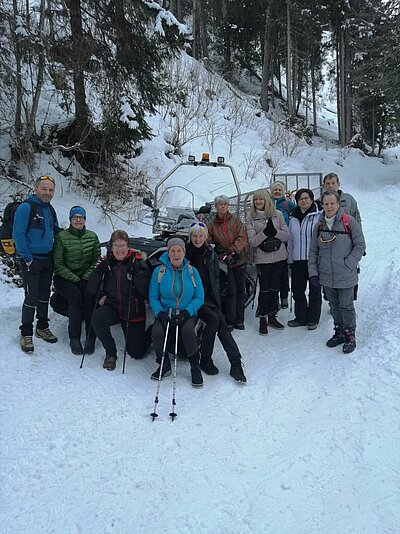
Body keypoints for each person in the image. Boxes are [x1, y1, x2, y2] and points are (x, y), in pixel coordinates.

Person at [186, 222, 247, 383]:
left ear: (205, 237)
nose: (198, 239)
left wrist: (218, 300)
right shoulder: (186, 254)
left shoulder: (210, 253)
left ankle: (235, 363)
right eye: (195, 235)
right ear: (190, 237)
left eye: (201, 236)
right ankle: (207, 359)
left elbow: (215, 280)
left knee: (221, 323)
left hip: (209, 298)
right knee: (215, 320)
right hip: (192, 298)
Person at [308, 190, 366, 353]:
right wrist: (313, 271)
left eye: (332, 203)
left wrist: (349, 263)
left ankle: (350, 335)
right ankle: (339, 331)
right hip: (326, 274)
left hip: (345, 273)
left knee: (346, 306)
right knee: (333, 305)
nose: (329, 206)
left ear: (338, 203)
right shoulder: (319, 225)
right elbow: (313, 250)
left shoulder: (349, 222)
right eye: (326, 203)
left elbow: (360, 245)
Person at [87, 230, 151, 370]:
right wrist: (99, 272)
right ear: (111, 246)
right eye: (116, 246)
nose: (119, 249)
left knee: (136, 353)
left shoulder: (139, 262)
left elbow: (145, 292)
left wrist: (137, 275)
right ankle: (110, 353)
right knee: (97, 317)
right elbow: (91, 290)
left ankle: (153, 332)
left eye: (122, 245)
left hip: (133, 311)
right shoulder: (106, 262)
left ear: (128, 246)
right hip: (113, 307)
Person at [13, 175, 60, 353]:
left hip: (47, 259)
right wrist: (27, 258)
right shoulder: (26, 208)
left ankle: (42, 327)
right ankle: (26, 332)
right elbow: (18, 235)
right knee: (31, 296)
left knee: (44, 295)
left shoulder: (50, 209)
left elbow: (55, 231)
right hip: (31, 260)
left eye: (50, 190)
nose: (47, 192)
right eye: (44, 188)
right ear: (36, 189)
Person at [148, 237, 205, 387]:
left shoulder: (193, 272)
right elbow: (153, 296)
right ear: (168, 253)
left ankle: (195, 367)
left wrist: (188, 312)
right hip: (166, 312)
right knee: (157, 333)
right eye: (172, 251)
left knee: (187, 331)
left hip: (186, 311)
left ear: (184, 252)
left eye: (179, 250)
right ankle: (164, 364)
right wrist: (159, 313)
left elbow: (199, 296)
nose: (176, 254)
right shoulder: (158, 272)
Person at [53, 206, 100, 355]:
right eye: (75, 217)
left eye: (81, 217)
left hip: (85, 277)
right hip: (64, 278)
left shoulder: (92, 237)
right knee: (75, 297)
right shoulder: (62, 237)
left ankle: (91, 337)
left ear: (85, 219)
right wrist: (75, 279)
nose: (78, 220)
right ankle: (74, 338)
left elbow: (96, 260)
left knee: (90, 296)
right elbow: (58, 264)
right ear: (70, 219)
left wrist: (85, 277)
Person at [246, 189, 289, 335]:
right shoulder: (251, 217)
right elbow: (252, 241)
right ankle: (262, 318)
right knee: (264, 289)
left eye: (261, 199)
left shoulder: (278, 214)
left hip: (279, 257)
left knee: (275, 288)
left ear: (266, 200)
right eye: (256, 200)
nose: (258, 202)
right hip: (262, 259)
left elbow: (287, 236)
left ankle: (272, 315)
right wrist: (265, 233)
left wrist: (275, 232)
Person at [207, 195, 248, 330]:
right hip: (224, 260)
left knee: (241, 290)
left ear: (228, 206)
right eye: (220, 204)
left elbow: (242, 237)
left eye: (225, 204)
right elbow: (207, 238)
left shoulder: (235, 220)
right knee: (230, 291)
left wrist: (233, 250)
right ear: (216, 207)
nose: (223, 206)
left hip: (239, 258)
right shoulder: (212, 224)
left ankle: (240, 319)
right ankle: (230, 319)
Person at [287, 188, 322, 330]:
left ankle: (313, 318)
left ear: (312, 199)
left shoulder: (319, 215)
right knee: (297, 290)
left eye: (307, 198)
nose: (304, 201)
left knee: (314, 289)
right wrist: (290, 258)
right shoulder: (293, 216)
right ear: (297, 201)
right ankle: (301, 317)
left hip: (313, 260)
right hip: (297, 260)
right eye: (301, 198)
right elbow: (290, 239)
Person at [270, 181, 296, 309]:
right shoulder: (267, 203)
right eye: (275, 190)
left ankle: (284, 296)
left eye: (279, 190)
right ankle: (273, 298)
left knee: (283, 271)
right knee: (272, 272)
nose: (277, 192)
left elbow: (297, 211)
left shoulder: (286, 204)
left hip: (283, 242)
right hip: (269, 243)